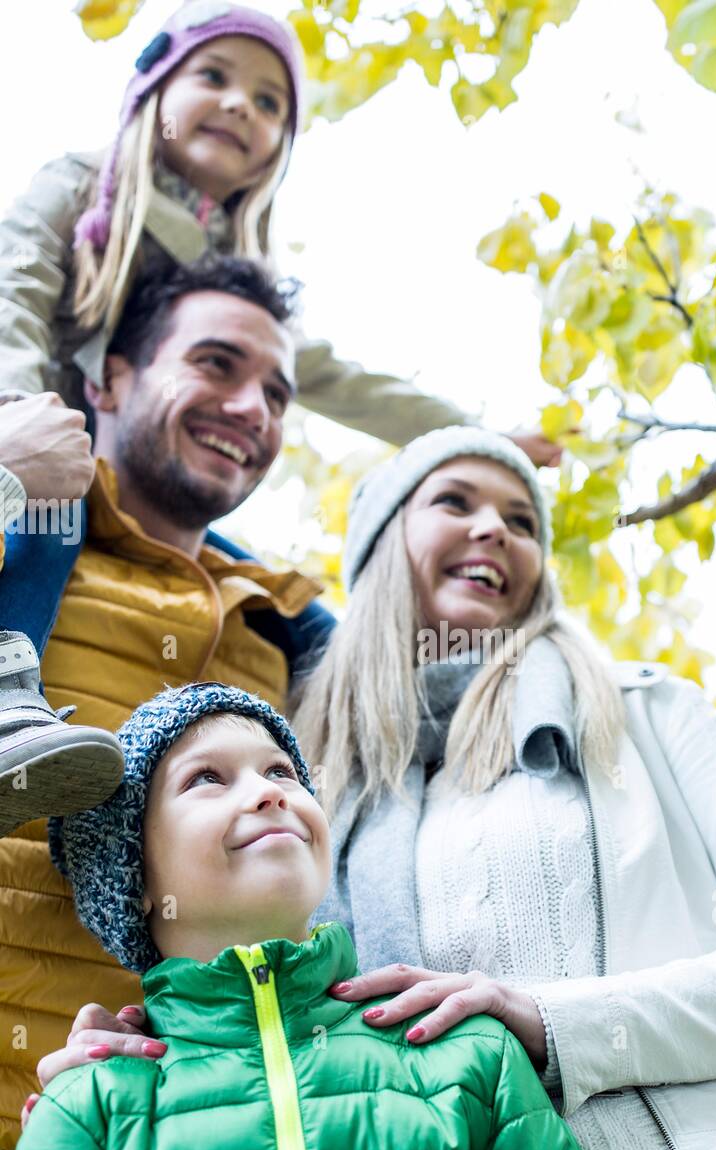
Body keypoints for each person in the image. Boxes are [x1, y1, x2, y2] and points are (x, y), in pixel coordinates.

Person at [26, 425, 716, 1150]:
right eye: (454, 501)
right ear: (378, 549)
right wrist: (156, 1059)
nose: (496, 529)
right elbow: (273, 1000)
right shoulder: (320, 786)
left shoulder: (645, 716)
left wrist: (550, 1021)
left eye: (524, 520)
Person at [0, 0, 558, 834]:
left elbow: (338, 378)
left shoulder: (234, 264)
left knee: (282, 603)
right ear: (154, 86)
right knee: (48, 524)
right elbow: (15, 286)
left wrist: (470, 434)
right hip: (54, 445)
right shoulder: (82, 186)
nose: (240, 107)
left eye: (268, 104)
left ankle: (396, 717)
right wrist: (18, 416)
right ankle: (12, 694)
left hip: (128, 489)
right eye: (215, 78)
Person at [0, 681, 642, 1150]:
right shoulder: (88, 1105)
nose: (267, 794)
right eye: (207, 779)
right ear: (134, 874)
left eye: (280, 772)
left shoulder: (468, 1052)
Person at [0, 253, 343, 1150]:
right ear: (110, 377)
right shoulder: (21, 530)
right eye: (217, 365)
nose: (252, 410)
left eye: (277, 392)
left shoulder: (286, 634)